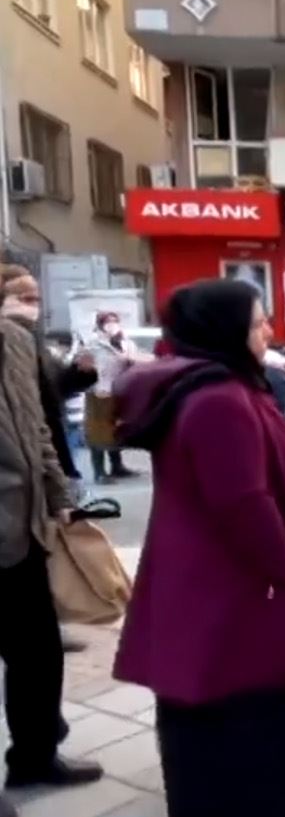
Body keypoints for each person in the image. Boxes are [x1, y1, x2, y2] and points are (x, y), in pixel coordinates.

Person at [112, 280, 285, 817]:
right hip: (231, 582)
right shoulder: (218, 400)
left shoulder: (217, 384)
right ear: (224, 330)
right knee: (237, 692)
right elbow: (241, 501)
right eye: (257, 322)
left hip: (211, 573)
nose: (267, 330)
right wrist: (284, 563)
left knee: (235, 688)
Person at [0, 275, 99, 817]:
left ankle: (35, 754)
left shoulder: (15, 342)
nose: (30, 305)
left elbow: (35, 423)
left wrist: (58, 492)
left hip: (18, 525)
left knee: (36, 654)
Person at [2, 267, 96, 656]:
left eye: (35, 297)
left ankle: (53, 619)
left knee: (46, 549)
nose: (32, 305)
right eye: (22, 296)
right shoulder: (12, 338)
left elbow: (50, 394)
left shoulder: (29, 343)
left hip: (43, 456)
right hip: (15, 483)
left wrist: (80, 374)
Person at [85, 311, 140, 484]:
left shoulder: (126, 342)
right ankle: (99, 472)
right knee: (98, 433)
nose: (112, 325)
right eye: (108, 322)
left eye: (115, 321)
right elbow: (82, 366)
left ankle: (117, 466)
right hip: (99, 392)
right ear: (100, 324)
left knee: (115, 431)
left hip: (120, 391)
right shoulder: (93, 344)